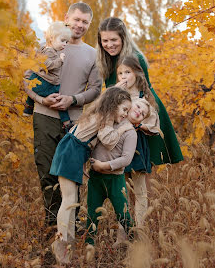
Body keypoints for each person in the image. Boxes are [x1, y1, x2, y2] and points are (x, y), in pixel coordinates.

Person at [23, 2, 101, 245]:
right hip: (44, 116)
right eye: (76, 19)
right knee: (46, 172)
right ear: (66, 17)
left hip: (75, 122)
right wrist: (41, 98)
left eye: (84, 22)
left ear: (88, 25)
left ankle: (71, 226)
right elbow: (26, 81)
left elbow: (97, 89)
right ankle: (51, 225)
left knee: (71, 174)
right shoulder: (43, 48)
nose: (79, 25)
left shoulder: (92, 54)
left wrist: (74, 99)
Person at [49, 87, 134, 264]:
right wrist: (123, 129)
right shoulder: (106, 117)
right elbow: (109, 141)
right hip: (71, 153)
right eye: (124, 109)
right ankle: (62, 247)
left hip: (72, 152)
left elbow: (83, 138)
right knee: (69, 200)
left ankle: (68, 247)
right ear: (114, 104)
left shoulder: (100, 113)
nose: (126, 114)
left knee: (72, 202)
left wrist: (81, 163)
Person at [97, 17, 183, 167]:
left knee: (144, 166)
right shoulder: (106, 60)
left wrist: (139, 119)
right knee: (124, 166)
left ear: (123, 38)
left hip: (142, 111)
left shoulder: (135, 58)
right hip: (122, 114)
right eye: (105, 41)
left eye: (114, 40)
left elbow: (145, 90)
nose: (109, 45)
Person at [84, 97, 153, 246]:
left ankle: (135, 246)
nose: (139, 111)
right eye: (138, 106)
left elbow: (126, 159)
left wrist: (104, 165)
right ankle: (88, 248)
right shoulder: (108, 122)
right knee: (92, 214)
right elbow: (92, 142)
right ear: (128, 105)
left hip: (115, 179)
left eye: (142, 113)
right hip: (96, 179)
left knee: (123, 215)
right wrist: (85, 161)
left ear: (139, 121)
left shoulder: (131, 133)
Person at [115, 55, 161, 228]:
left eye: (128, 72)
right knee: (122, 190)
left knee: (140, 190)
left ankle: (140, 227)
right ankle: (123, 228)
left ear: (137, 73)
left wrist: (141, 125)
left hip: (139, 146)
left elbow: (154, 122)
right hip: (120, 145)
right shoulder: (118, 93)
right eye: (120, 73)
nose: (124, 76)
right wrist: (114, 93)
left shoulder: (144, 95)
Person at [23, 21, 72, 128]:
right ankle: (66, 122)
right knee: (59, 99)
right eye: (62, 40)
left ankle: (28, 108)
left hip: (37, 78)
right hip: (46, 81)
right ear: (51, 39)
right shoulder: (49, 52)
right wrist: (60, 60)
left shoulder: (44, 48)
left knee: (33, 86)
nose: (65, 44)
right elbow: (48, 66)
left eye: (67, 42)